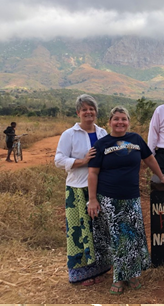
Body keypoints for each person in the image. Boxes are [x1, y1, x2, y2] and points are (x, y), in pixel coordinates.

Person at [87, 106, 164, 295]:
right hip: (109, 198)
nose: (120, 122)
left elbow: (150, 159)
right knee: (118, 238)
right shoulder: (101, 144)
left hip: (132, 197)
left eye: (124, 119)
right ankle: (119, 277)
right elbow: (93, 173)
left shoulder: (136, 140)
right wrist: (92, 199)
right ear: (109, 122)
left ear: (128, 122)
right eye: (116, 119)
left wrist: (161, 177)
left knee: (133, 237)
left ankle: (133, 274)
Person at [54, 95, 111, 285]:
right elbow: (59, 160)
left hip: (100, 188)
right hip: (77, 189)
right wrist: (82, 161)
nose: (88, 112)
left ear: (96, 112)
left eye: (91, 109)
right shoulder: (69, 134)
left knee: (98, 230)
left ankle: (100, 268)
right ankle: (81, 272)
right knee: (78, 231)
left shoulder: (103, 133)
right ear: (78, 112)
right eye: (84, 109)